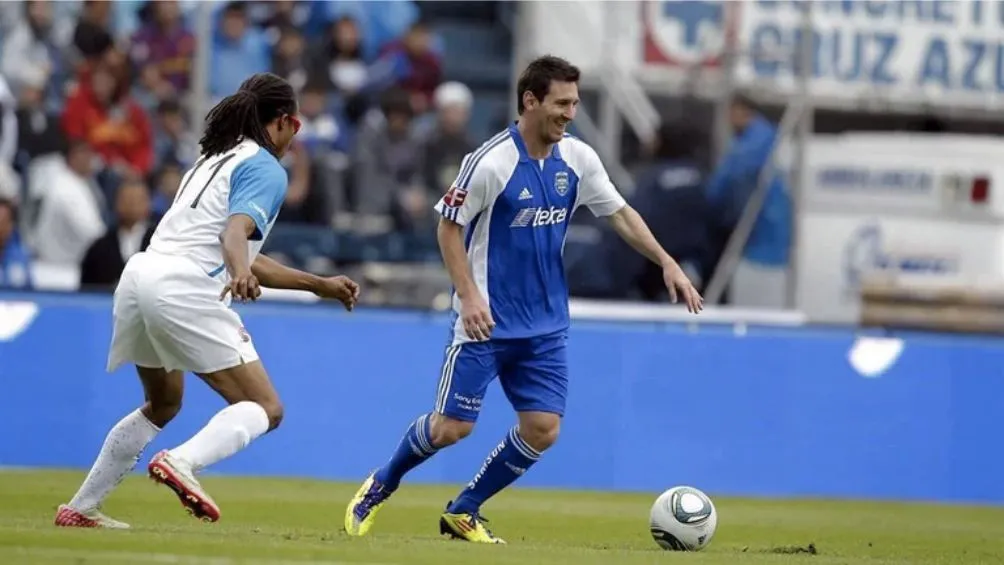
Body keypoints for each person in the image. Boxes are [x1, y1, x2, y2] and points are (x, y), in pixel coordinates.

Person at [344, 56, 703, 544]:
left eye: (575, 103)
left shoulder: (578, 159)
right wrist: (469, 297)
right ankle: (381, 483)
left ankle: (464, 509)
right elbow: (448, 229)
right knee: (451, 429)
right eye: (561, 103)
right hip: (486, 320)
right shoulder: (491, 162)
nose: (570, 112)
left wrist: (666, 260)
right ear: (530, 101)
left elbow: (619, 212)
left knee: (542, 428)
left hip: (545, 324)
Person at [54, 72, 361, 529]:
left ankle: (81, 507)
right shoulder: (266, 168)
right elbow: (232, 235)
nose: (294, 137)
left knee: (163, 404)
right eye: (294, 126)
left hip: (140, 277)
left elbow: (241, 249)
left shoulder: (213, 157)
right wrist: (237, 271)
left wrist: (317, 284)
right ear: (279, 122)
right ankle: (181, 463)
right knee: (267, 408)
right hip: (185, 287)